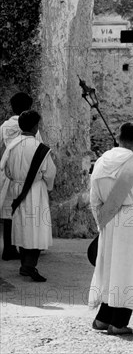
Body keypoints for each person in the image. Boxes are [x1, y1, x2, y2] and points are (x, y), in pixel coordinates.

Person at [89, 123, 133, 335]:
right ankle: (118, 323)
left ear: (117, 138)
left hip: (109, 220)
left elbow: (94, 199)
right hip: (132, 224)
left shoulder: (101, 162)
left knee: (112, 269)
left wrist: (101, 222)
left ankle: (103, 318)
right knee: (129, 271)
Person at [0, 110, 56, 281]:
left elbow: (5, 169)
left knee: (21, 226)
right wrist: (47, 185)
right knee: (36, 228)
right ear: (35, 126)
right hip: (35, 190)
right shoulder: (40, 147)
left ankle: (25, 262)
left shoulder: (12, 145)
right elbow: (50, 172)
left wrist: (16, 180)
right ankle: (29, 265)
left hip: (17, 190)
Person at [0, 92, 37, 261]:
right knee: (25, 211)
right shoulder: (31, 126)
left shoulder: (4, 127)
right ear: (29, 107)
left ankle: (8, 248)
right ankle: (25, 247)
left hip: (7, 173)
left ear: (12, 107)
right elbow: (37, 150)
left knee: (8, 212)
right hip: (26, 175)